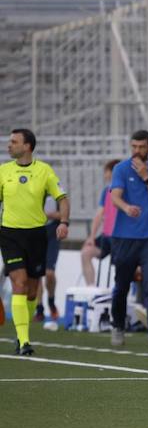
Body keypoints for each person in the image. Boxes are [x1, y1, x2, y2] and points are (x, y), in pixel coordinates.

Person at [0, 129, 70, 355]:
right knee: (19, 283)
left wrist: (64, 222)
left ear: (27, 146)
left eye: (14, 142)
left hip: (37, 235)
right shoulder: (3, 171)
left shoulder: (44, 171)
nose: (9, 145)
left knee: (31, 291)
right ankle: (24, 342)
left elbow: (62, 198)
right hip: (10, 234)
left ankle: (22, 333)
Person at [109, 130, 148, 347]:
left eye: (142, 147)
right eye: (134, 146)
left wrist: (146, 177)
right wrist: (126, 208)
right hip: (124, 237)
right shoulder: (121, 168)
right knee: (121, 286)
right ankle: (118, 326)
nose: (137, 151)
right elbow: (115, 196)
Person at [80, 159, 120, 286]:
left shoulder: (127, 191)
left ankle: (120, 292)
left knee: (121, 266)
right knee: (86, 252)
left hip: (121, 237)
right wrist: (91, 237)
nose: (105, 175)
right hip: (106, 236)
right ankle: (91, 288)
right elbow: (98, 215)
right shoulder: (106, 191)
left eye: (106, 172)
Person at [36, 197, 61, 321]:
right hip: (35, 233)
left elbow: (64, 214)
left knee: (49, 273)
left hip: (52, 233)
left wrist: (49, 215)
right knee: (37, 274)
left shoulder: (56, 192)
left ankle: (51, 301)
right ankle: (39, 309)